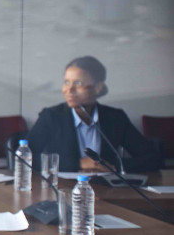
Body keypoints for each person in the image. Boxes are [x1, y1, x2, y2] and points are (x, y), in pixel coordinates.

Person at [28, 55, 160, 174]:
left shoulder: (115, 118)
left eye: (78, 83)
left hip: (107, 190)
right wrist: (78, 164)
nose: (68, 90)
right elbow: (25, 158)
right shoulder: (51, 116)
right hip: (64, 189)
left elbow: (152, 158)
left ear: (98, 87)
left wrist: (112, 166)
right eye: (66, 82)